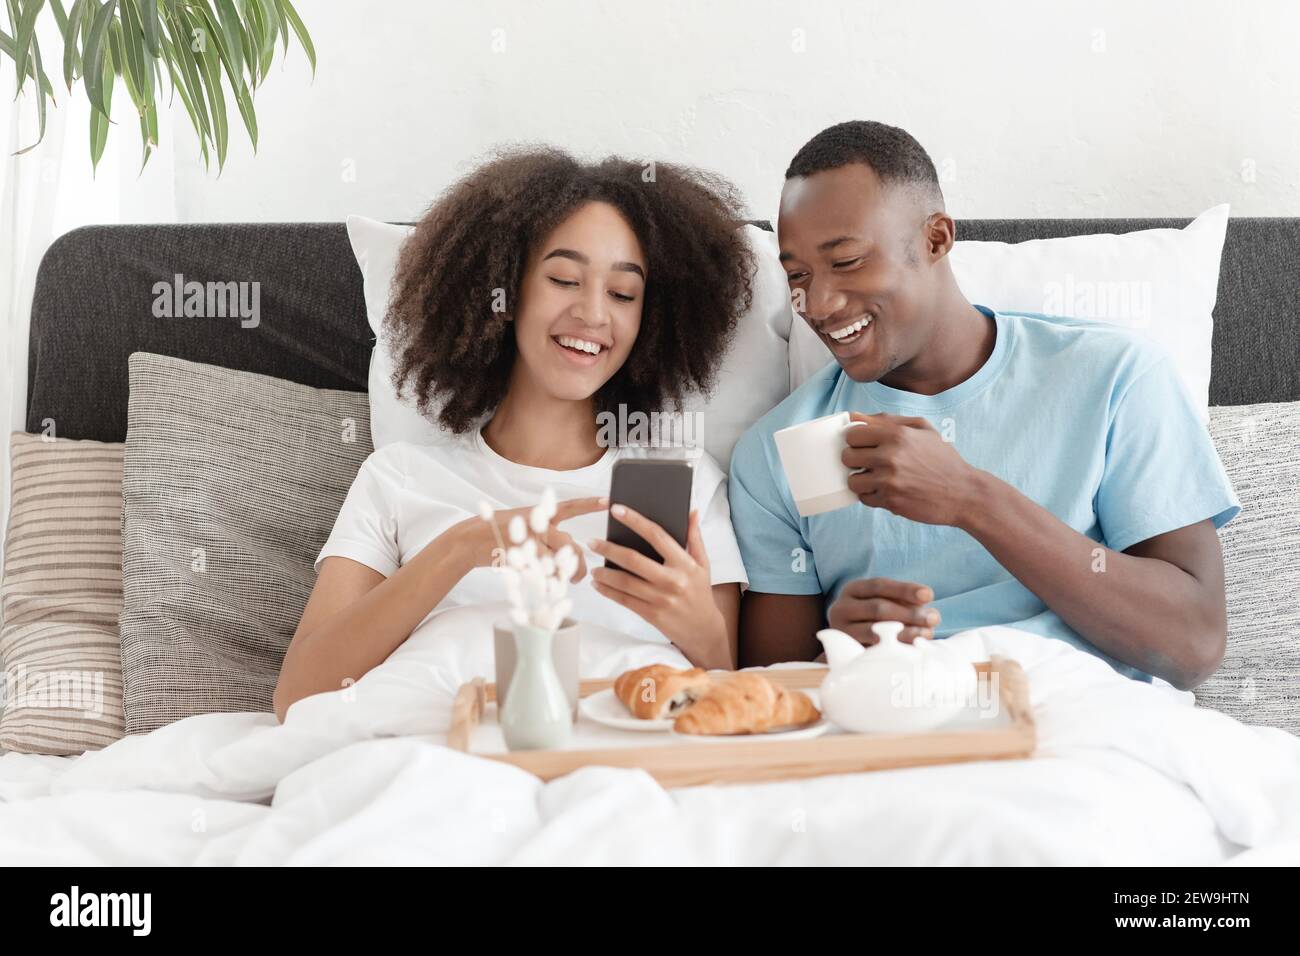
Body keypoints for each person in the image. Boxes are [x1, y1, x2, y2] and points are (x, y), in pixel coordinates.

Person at [729, 120, 1239, 689]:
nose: (817, 303)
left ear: (936, 240)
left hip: (1076, 725)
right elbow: (773, 694)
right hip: (891, 735)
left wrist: (971, 499)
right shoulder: (780, 450)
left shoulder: (1113, 377)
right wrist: (837, 652)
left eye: (846, 261)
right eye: (797, 275)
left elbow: (1193, 646)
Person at [274, 148, 754, 721]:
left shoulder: (685, 479)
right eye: (563, 279)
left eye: (623, 294)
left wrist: (701, 630)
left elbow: (726, 702)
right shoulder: (400, 477)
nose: (594, 314)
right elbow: (299, 698)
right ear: (502, 292)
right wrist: (461, 548)